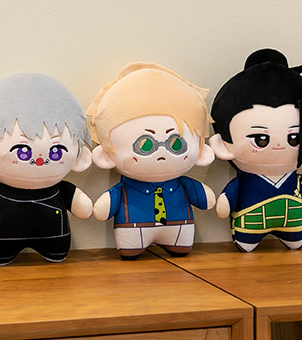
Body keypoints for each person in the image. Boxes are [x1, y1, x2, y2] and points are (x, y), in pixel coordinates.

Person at [209, 49, 302, 252]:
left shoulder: (296, 180)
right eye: (260, 139)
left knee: (296, 240)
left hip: (294, 224)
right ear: (223, 146)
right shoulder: (245, 181)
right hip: (250, 225)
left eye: (295, 138)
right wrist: (226, 201)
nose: (278, 146)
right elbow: (229, 198)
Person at [87, 63, 215, 259]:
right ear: (106, 156)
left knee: (181, 247)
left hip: (179, 228)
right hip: (134, 229)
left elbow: (206, 201)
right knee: (131, 249)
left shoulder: (183, 184)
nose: (161, 151)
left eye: (176, 144)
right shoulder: (124, 189)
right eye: (146, 145)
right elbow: (102, 210)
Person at [0, 73, 92, 265]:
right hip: (3, 244)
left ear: (79, 158)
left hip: (53, 240)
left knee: (56, 252)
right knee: (0, 254)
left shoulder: (61, 190)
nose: (39, 161)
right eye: (22, 151)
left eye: (56, 151)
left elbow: (84, 210)